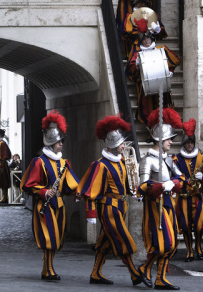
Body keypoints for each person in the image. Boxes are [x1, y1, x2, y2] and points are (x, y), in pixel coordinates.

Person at [76, 115, 149, 287]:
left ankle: (95, 273)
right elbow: (90, 191)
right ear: (113, 145)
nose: (124, 146)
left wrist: (135, 191)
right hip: (109, 208)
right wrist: (91, 213)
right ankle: (134, 274)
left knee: (105, 241)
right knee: (123, 239)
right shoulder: (100, 165)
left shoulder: (122, 162)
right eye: (121, 144)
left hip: (121, 206)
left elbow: (127, 182)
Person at [20, 110, 79, 281]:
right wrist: (44, 191)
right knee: (49, 237)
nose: (61, 144)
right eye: (59, 141)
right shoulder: (39, 162)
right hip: (44, 205)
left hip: (59, 204)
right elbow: (27, 185)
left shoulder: (63, 163)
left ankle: (49, 267)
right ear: (52, 143)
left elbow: (69, 184)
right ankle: (47, 269)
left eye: (62, 141)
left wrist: (77, 192)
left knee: (58, 239)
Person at [137, 107, 185, 290]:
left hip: (168, 204)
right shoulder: (148, 160)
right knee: (165, 243)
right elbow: (142, 187)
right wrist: (163, 186)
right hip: (155, 205)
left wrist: (174, 182)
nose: (171, 142)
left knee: (172, 245)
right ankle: (145, 268)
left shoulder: (169, 159)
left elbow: (181, 179)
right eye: (168, 139)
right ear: (159, 139)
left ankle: (160, 278)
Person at [125, 19, 180, 126]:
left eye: (148, 38)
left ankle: (165, 131)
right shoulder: (138, 54)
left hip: (162, 85)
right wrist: (136, 65)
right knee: (147, 109)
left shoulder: (161, 49)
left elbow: (175, 60)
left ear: (152, 38)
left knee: (164, 107)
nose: (146, 41)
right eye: (144, 39)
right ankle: (152, 132)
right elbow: (130, 71)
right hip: (146, 87)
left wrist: (171, 71)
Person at [172, 118, 203, 262]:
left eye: (191, 142)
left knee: (199, 225)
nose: (189, 144)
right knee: (186, 226)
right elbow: (173, 176)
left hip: (198, 196)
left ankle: (198, 247)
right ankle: (189, 250)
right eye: (187, 142)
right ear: (183, 143)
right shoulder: (176, 159)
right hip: (183, 196)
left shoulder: (202, 158)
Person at [0, 128, 12, 205]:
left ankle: (5, 198)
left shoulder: (2, 143)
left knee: (4, 181)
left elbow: (3, 156)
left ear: (0, 135)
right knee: (1, 181)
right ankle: (3, 197)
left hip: (2, 165)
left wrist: (0, 165)